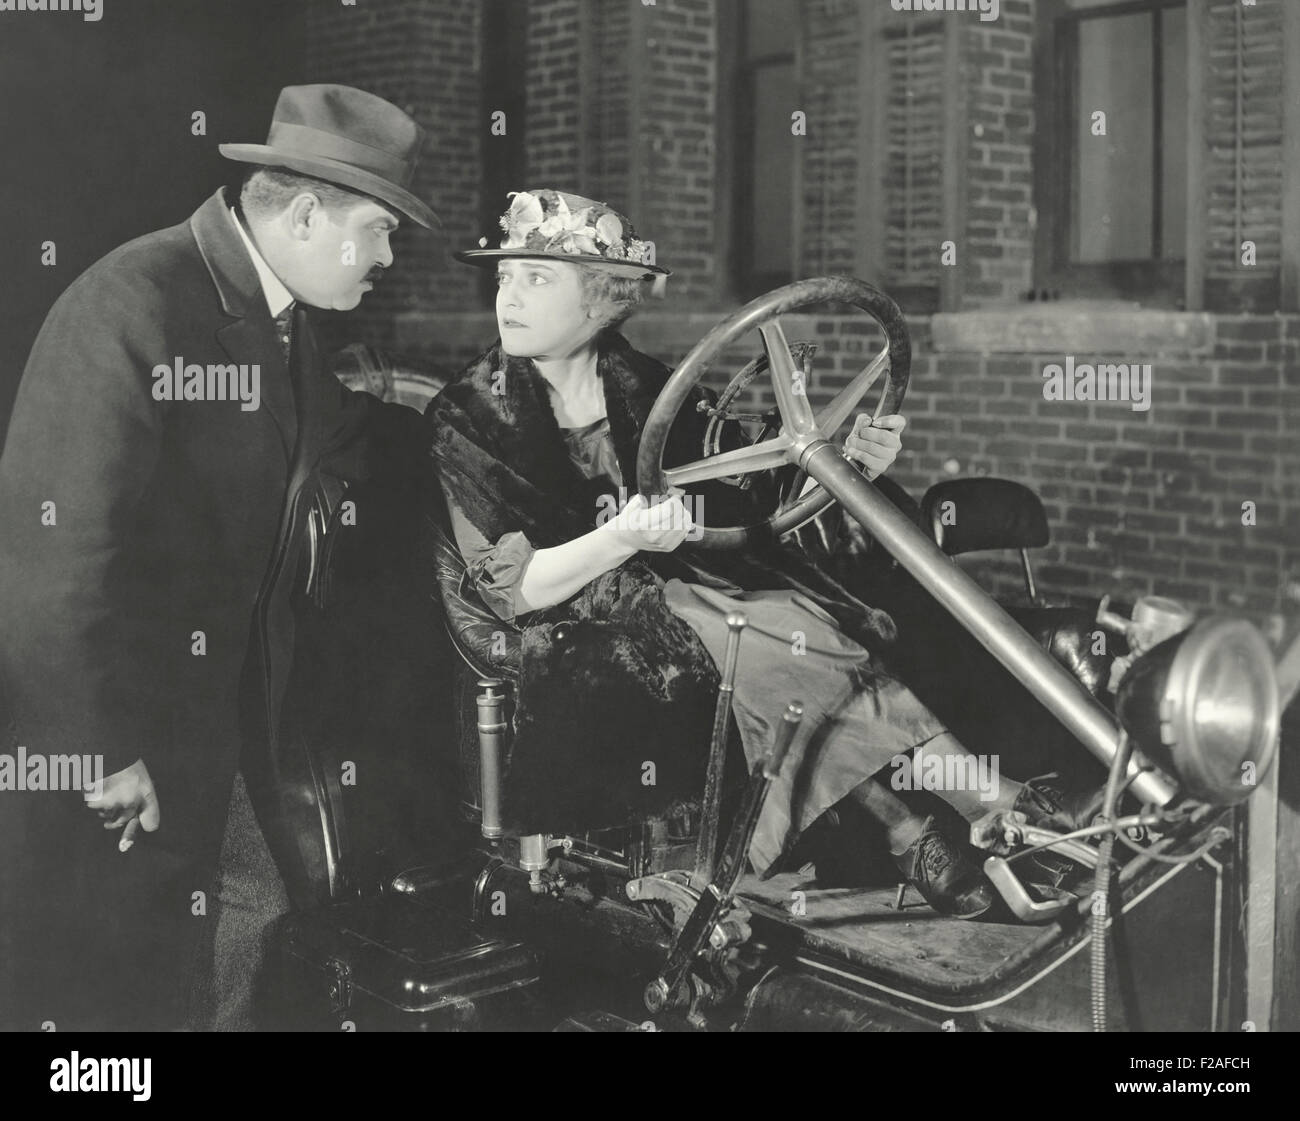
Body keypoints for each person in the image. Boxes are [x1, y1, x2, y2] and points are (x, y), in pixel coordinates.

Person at [425, 189, 1096, 921]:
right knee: (755, 629)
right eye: (504, 279)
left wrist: (847, 460)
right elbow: (515, 587)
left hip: (683, 594)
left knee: (799, 614)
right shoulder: (469, 415)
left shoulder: (645, 386)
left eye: (535, 278)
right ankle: (981, 802)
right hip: (558, 624)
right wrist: (622, 537)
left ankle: (920, 828)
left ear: (598, 301)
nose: (507, 299)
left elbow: (744, 474)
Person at [0, 84, 435, 1030]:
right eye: (380, 232)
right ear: (311, 214)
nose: (390, 259)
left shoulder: (282, 320)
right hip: (121, 748)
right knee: (121, 995)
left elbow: (349, 435)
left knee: (247, 939)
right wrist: (97, 750)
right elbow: (48, 558)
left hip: (223, 732)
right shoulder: (131, 301)